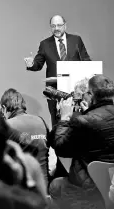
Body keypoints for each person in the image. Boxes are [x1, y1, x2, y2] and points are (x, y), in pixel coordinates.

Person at [49, 75, 114, 208]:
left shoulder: (83, 122)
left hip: (89, 190)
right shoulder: (88, 119)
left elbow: (60, 147)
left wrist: (64, 117)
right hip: (111, 185)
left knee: (55, 186)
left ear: (90, 95)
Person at [24, 15, 91, 127]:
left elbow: (86, 61)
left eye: (59, 25)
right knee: (57, 123)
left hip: (75, 90)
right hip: (55, 91)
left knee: (78, 122)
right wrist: (31, 64)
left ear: (65, 25)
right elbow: (38, 64)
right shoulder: (45, 44)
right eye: (53, 26)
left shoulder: (76, 40)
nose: (56, 28)